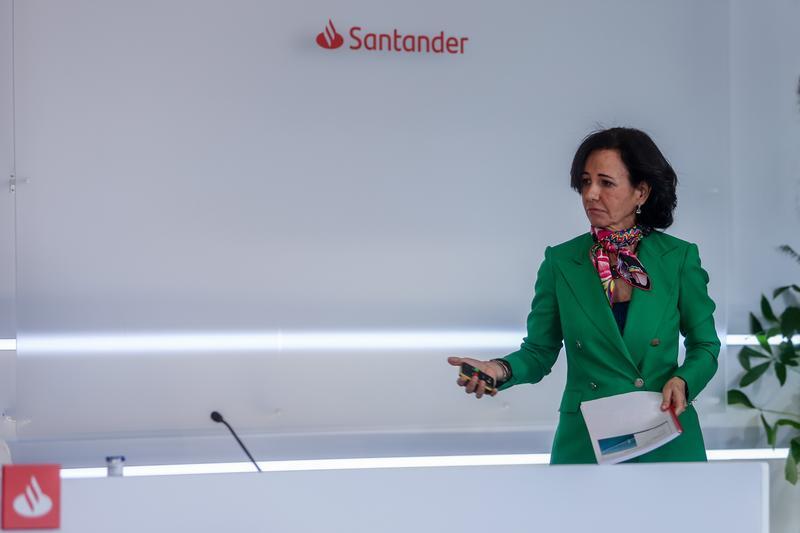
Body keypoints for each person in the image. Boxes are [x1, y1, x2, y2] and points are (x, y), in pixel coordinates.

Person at [448, 127, 720, 464]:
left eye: (606, 183)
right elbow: (539, 352)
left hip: (665, 433)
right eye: (586, 182)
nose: (591, 194)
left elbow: (705, 345)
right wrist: (498, 368)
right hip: (588, 440)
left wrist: (683, 380)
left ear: (641, 192)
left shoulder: (678, 258)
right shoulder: (561, 262)